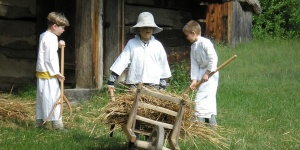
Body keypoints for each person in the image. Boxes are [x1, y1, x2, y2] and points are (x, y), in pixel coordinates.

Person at [107, 12, 171, 92]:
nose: (147, 30)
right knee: (133, 104)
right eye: (144, 27)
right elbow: (122, 60)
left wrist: (162, 85)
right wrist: (111, 81)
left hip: (153, 85)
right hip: (134, 84)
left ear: (153, 29)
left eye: (150, 27)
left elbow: (163, 65)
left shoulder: (157, 45)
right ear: (139, 29)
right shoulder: (132, 44)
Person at [35, 12, 69, 130]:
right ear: (55, 26)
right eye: (62, 27)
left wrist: (58, 44)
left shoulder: (44, 35)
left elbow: (46, 51)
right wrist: (57, 73)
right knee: (53, 97)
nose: (63, 30)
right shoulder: (51, 38)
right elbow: (49, 59)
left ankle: (40, 122)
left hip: (43, 72)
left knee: (42, 97)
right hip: (49, 74)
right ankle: (57, 124)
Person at [183, 20, 219, 127]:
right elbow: (194, 64)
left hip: (211, 74)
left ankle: (197, 126)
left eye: (187, 35)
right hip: (201, 74)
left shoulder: (205, 43)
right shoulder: (193, 46)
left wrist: (207, 73)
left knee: (200, 99)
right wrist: (194, 80)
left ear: (193, 33)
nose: (187, 38)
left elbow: (213, 58)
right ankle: (212, 126)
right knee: (206, 101)